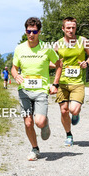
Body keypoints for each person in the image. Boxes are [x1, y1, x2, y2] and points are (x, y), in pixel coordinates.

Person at [11, 17, 62, 161]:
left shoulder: (47, 48)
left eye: (34, 31)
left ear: (39, 32)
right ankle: (35, 149)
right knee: (28, 122)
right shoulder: (19, 48)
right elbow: (14, 68)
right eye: (29, 31)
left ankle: (45, 123)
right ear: (25, 31)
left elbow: (59, 65)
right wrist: (16, 76)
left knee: (39, 122)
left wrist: (55, 84)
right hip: (24, 91)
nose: (31, 34)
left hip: (41, 90)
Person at [53, 17, 89, 147]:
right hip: (62, 82)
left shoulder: (83, 41)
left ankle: (76, 114)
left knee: (73, 110)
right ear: (63, 29)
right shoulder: (57, 44)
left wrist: (86, 63)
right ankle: (69, 135)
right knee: (64, 111)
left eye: (73, 28)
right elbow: (50, 62)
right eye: (68, 28)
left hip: (78, 82)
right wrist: (54, 65)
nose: (71, 30)